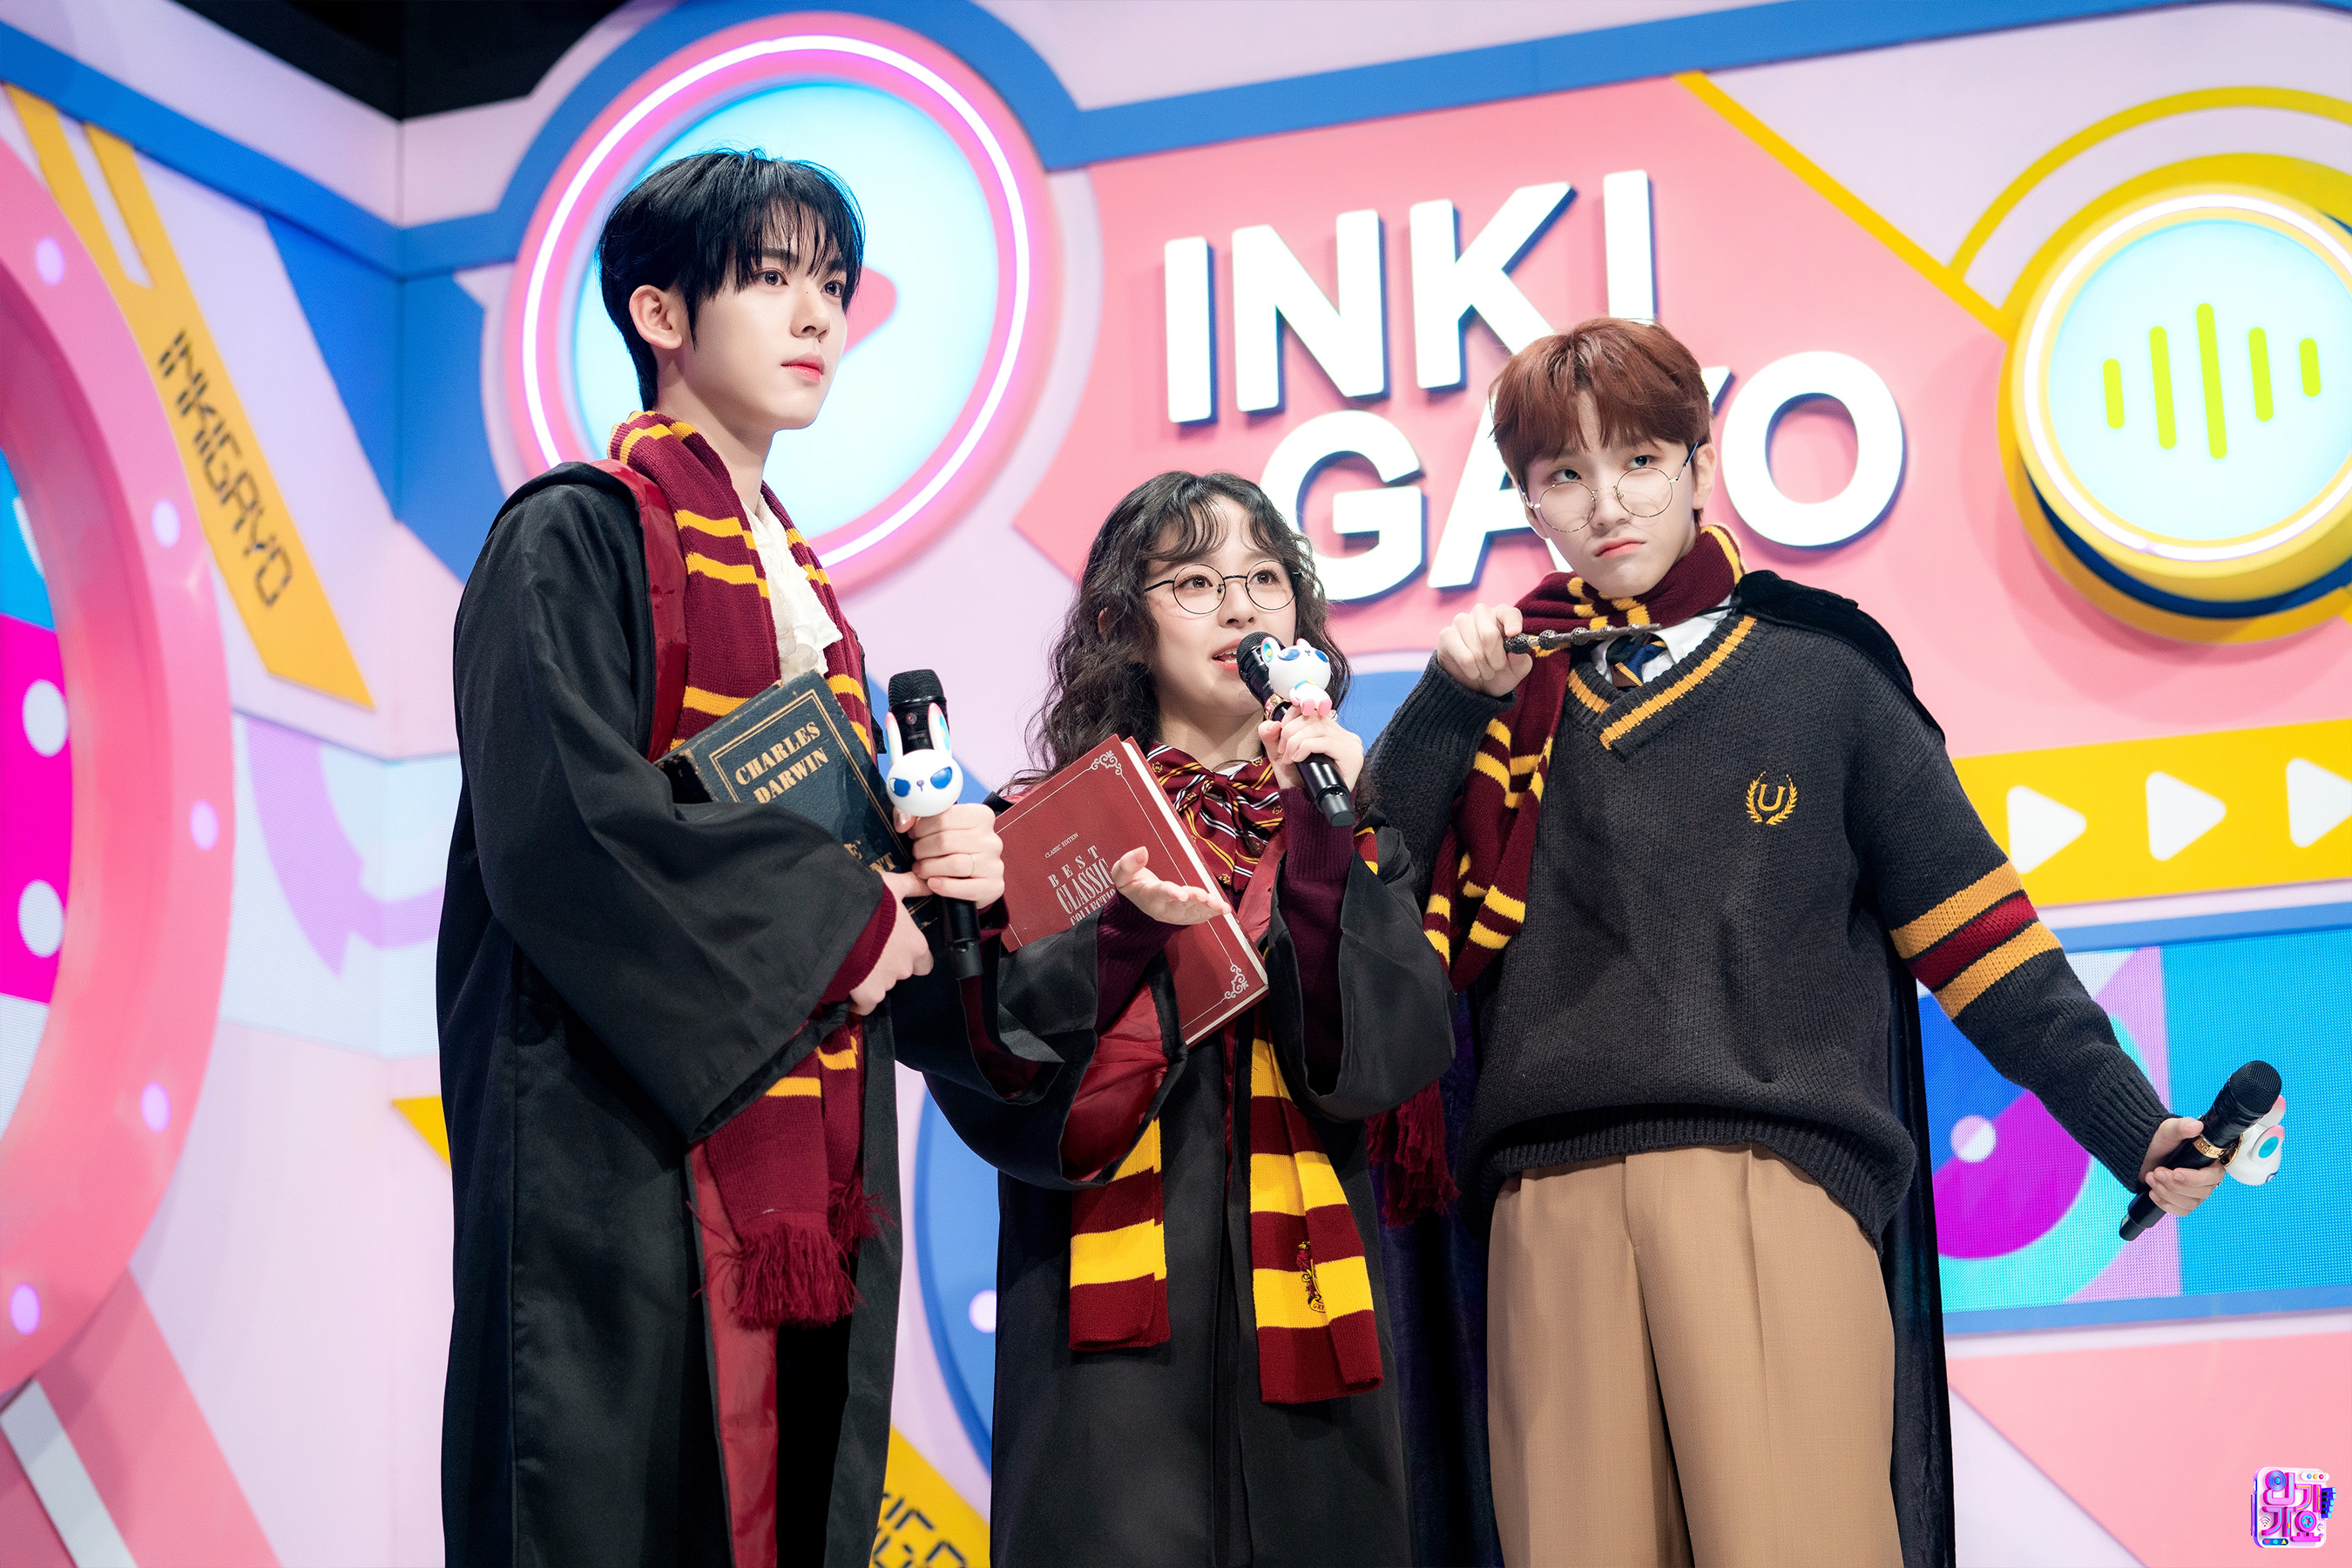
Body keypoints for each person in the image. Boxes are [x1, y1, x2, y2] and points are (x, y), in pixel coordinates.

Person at [1360, 320, 2226, 1568]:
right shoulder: (1498, 697)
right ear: (1527, 503)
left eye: (1640, 460)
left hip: (1776, 1181)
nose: (1608, 503)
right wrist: (1447, 702)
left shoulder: (1826, 673)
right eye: (1565, 475)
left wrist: (2132, 1127)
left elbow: (1981, 939)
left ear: (1702, 466)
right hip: (1545, 1213)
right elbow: (1367, 895)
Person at [436, 151, 1004, 1568]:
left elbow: (853, 884)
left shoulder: (808, 603)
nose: (818, 317)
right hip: (623, 1146)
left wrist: (938, 878)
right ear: (660, 313)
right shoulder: (569, 538)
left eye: (833, 285)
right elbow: (568, 829)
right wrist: (841, 916)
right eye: (769, 278)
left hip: (804, 1165)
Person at [892, 471, 1456, 1567]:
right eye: (1197, 582)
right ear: (1123, 625)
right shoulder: (1037, 833)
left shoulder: (1345, 822)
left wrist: (1324, 849)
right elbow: (995, 1072)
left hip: (1311, 1338)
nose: (1242, 608)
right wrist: (1120, 940)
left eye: (1265, 579)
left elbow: (1382, 1059)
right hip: (1105, 1362)